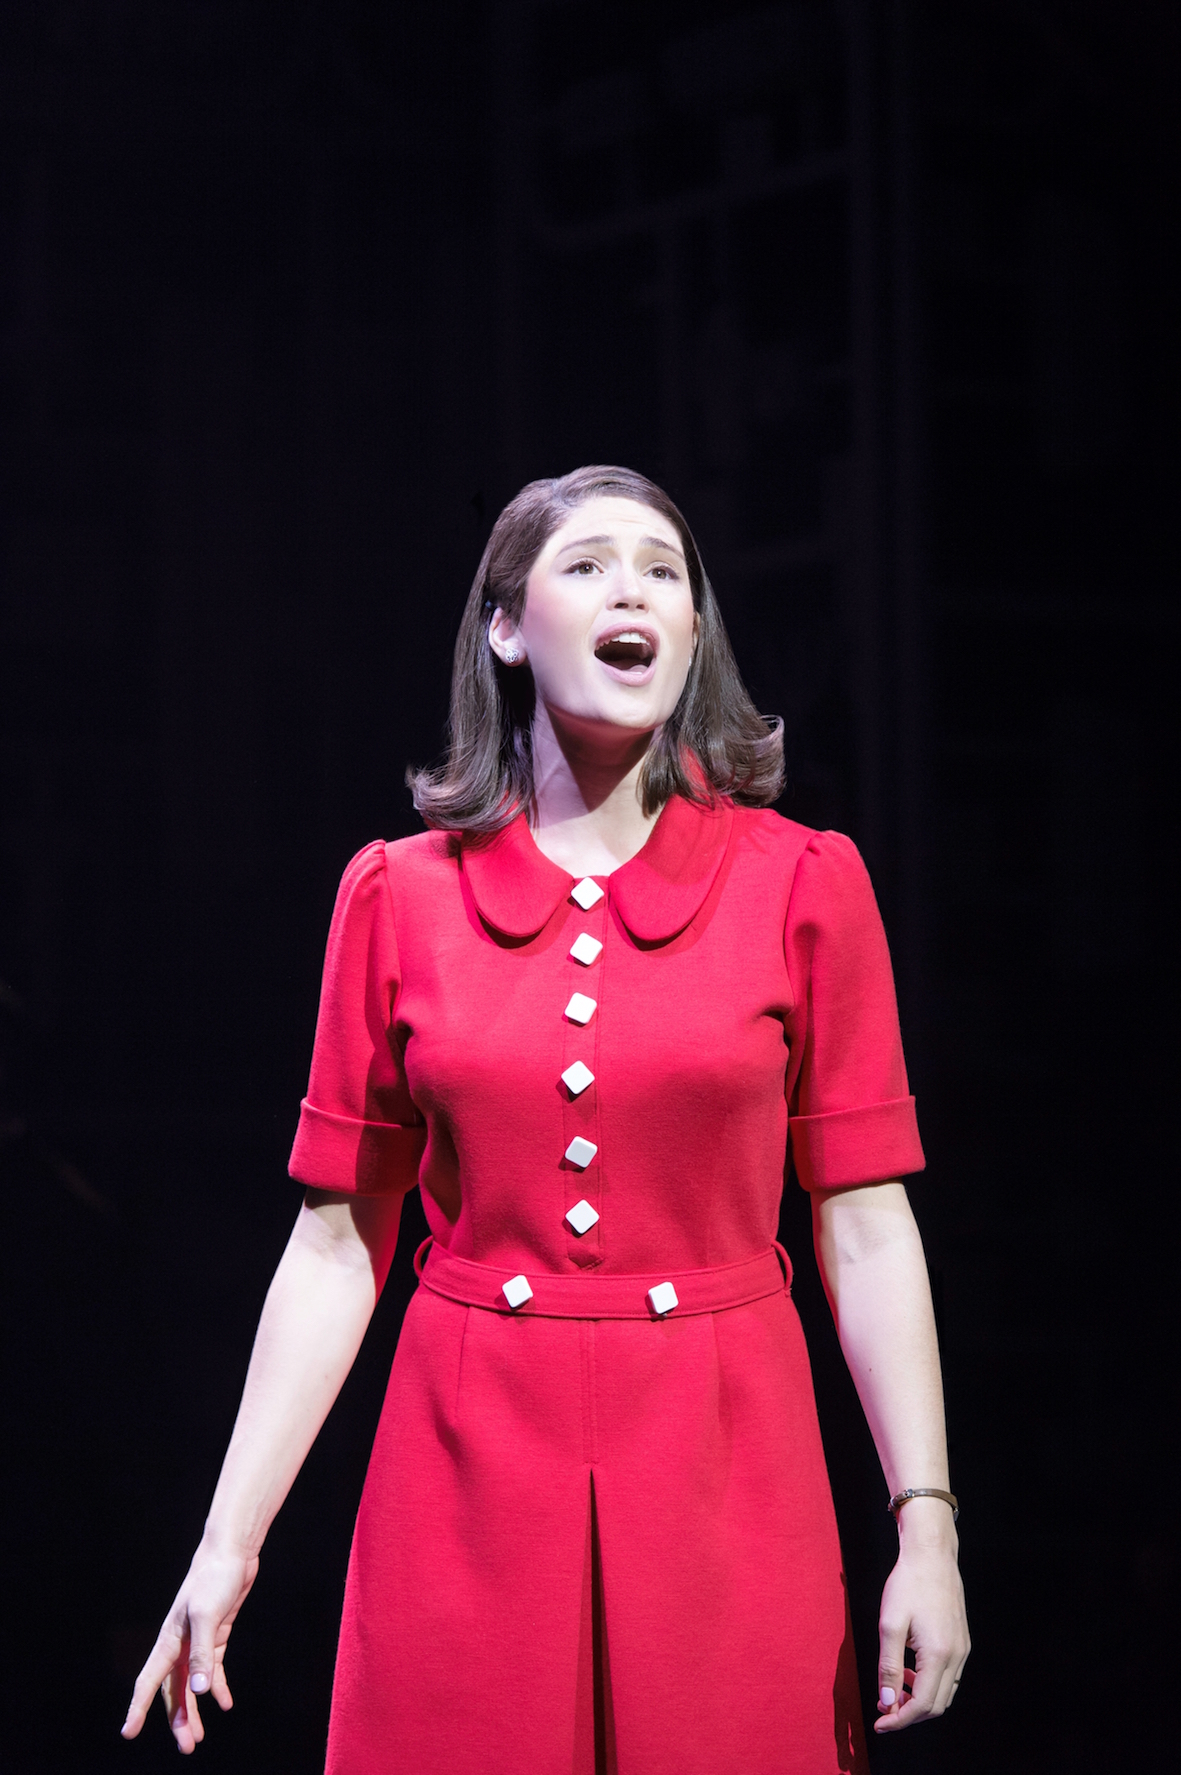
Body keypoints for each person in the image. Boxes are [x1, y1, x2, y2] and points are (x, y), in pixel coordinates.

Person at [122, 465, 969, 1772]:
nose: (631, 586)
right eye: (586, 564)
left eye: (663, 571)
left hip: (724, 1459)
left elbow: (863, 1228)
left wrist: (926, 1528)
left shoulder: (802, 883)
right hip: (463, 1469)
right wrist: (227, 1548)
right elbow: (334, 1247)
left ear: (691, 635)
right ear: (506, 627)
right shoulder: (394, 897)